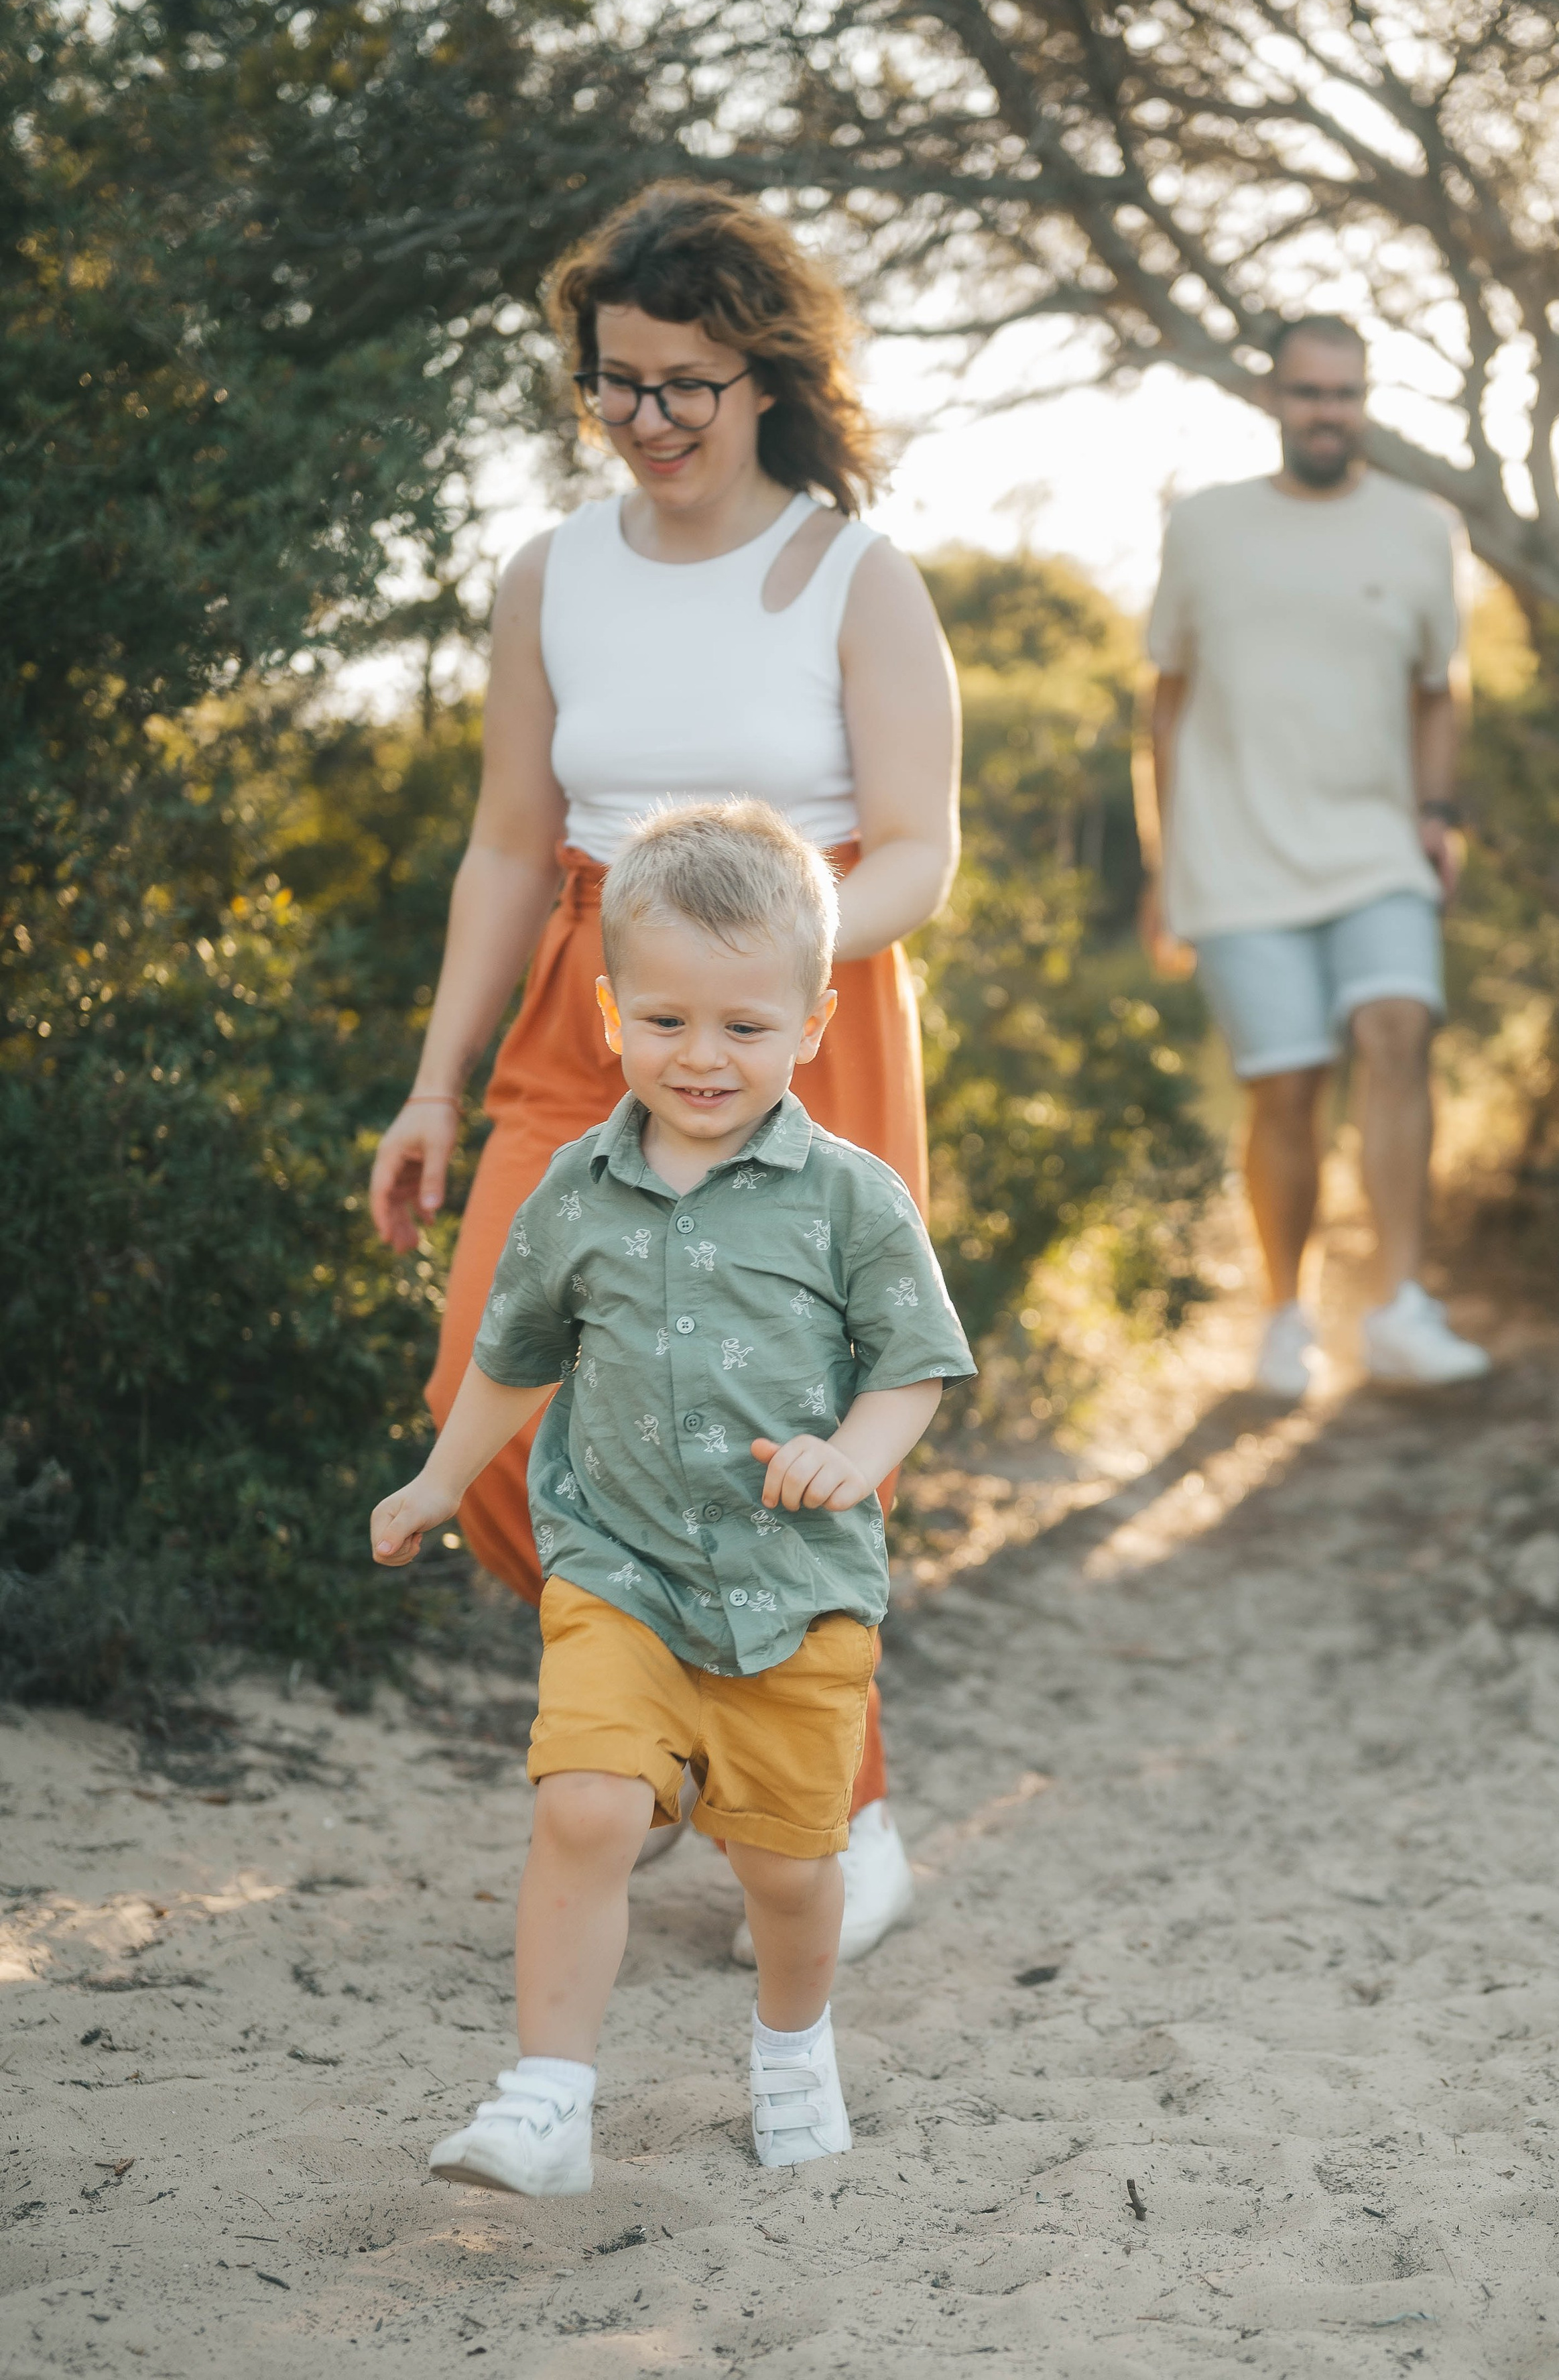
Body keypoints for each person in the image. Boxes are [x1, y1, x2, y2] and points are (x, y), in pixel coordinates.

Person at [367, 182, 961, 1961]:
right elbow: (500, 845)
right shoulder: (552, 572)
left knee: (770, 1432)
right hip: (587, 999)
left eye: (686, 383)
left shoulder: (856, 576)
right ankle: (688, 1727)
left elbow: (925, 849)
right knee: (500, 1407)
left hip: (806, 1012)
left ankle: (835, 1812)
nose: (649, 421)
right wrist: (434, 1082)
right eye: (617, 383)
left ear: (766, 376)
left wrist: (764, 970)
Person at [371, 803, 975, 2194]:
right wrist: (437, 1480)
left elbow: (914, 1368)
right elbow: (509, 1361)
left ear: (814, 1021)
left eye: (743, 1028)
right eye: (665, 1021)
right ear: (606, 1012)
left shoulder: (848, 1199)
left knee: (782, 1871)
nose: (701, 1057)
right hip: (620, 1571)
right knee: (583, 1804)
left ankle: (789, 2043)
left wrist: (858, 1456)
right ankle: (546, 2098)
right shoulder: (574, 1195)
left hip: (794, 1589)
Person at [1144, 314, 1491, 1398]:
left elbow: (1442, 688)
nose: (1326, 413)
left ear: (1368, 401)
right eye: (1307, 393)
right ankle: (1285, 1319)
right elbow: (1166, 698)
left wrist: (1437, 811)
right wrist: (1166, 863)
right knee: (1286, 1086)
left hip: (1376, 843)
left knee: (1397, 1032)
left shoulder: (1423, 526)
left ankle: (1399, 1306)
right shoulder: (1204, 527)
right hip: (1237, 854)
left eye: (1344, 394)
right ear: (1273, 401)